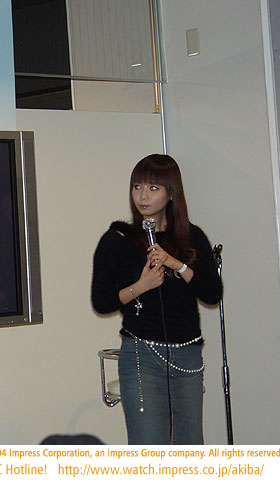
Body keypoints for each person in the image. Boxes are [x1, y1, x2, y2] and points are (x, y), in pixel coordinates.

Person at [91, 154, 222, 444]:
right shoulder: (118, 239)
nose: (142, 196)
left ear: (171, 193)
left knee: (190, 446)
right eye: (137, 187)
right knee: (149, 445)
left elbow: (212, 294)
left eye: (153, 188)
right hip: (142, 355)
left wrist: (178, 265)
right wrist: (141, 286)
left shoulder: (191, 237)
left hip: (188, 354)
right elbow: (102, 302)